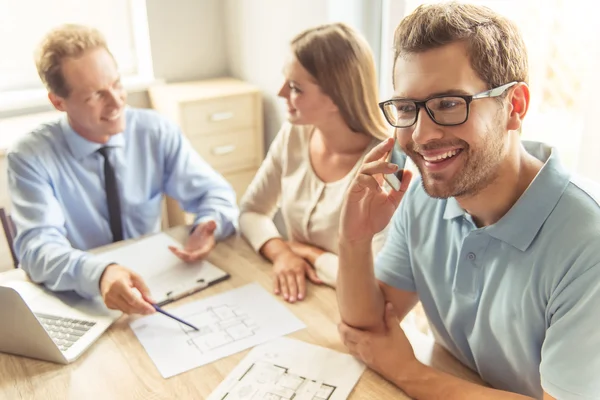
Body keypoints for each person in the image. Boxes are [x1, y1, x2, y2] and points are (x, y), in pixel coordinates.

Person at [336, 3, 600, 400]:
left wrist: (408, 372)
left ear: (514, 107)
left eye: (448, 104)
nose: (422, 136)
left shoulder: (588, 242)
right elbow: (367, 329)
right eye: (407, 108)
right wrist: (353, 241)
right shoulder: (427, 194)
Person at [7, 24, 239, 316]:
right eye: (95, 95)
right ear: (58, 102)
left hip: (156, 286)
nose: (116, 103)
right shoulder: (30, 157)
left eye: (117, 84)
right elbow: (37, 249)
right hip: (83, 298)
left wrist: (209, 224)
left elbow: (215, 193)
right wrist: (101, 273)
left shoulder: (155, 130)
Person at [239, 23, 390, 303]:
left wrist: (310, 254)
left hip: (359, 311)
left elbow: (377, 281)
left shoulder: (388, 166)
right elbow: (251, 211)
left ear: (336, 96)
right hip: (300, 297)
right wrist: (282, 252)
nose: (281, 93)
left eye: (295, 87)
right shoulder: (294, 134)